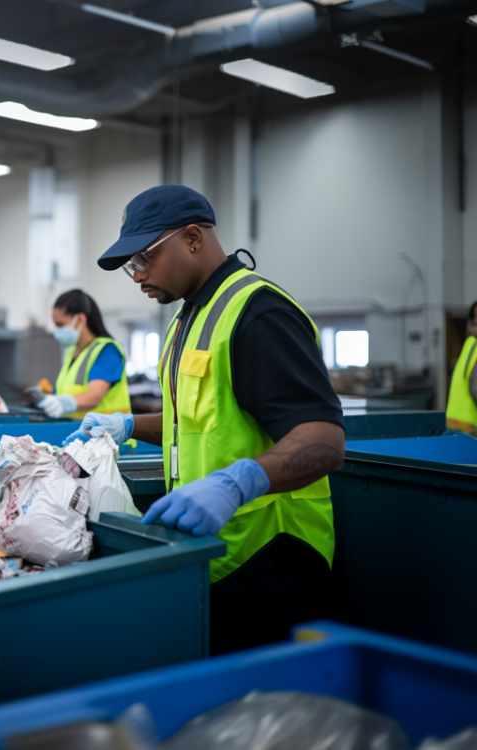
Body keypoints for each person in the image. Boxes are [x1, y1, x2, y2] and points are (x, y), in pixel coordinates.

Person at [65, 184, 345, 655]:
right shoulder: (186, 318)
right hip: (215, 550)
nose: (136, 277)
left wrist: (239, 481)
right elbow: (192, 422)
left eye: (142, 260)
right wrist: (129, 424)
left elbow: (324, 439)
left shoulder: (258, 313)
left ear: (192, 238)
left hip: (271, 560)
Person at [37, 289, 132, 419]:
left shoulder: (108, 350)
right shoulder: (71, 352)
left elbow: (95, 395)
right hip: (78, 435)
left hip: (108, 436)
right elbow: (66, 391)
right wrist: (47, 396)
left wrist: (63, 403)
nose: (57, 331)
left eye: (60, 325)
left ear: (80, 320)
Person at [446, 299, 477, 435]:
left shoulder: (470, 344)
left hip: (454, 423)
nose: (475, 321)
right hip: (471, 428)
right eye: (474, 317)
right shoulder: (472, 344)